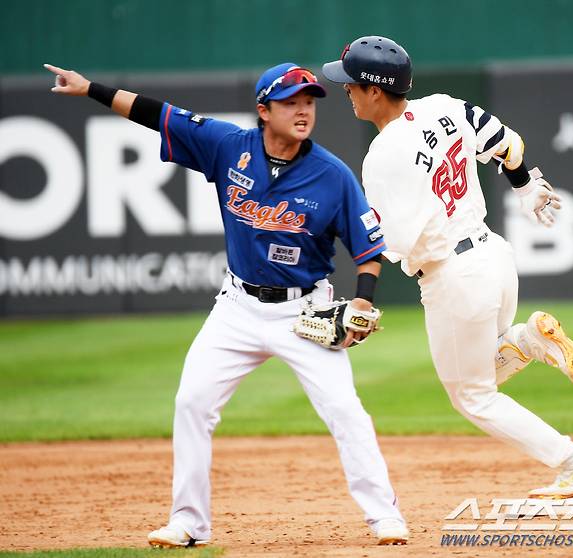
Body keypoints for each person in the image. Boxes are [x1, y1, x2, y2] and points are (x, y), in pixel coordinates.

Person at [44, 62, 409, 546]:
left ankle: (384, 516)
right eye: (291, 102)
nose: (303, 111)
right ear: (264, 110)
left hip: (303, 312)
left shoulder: (331, 175)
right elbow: (158, 115)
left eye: (309, 101)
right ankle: (189, 523)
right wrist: (90, 89)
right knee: (192, 402)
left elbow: (368, 250)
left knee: (344, 409)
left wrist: (362, 302)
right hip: (237, 307)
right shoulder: (227, 146)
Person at [321, 37, 573, 499]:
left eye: (351, 84)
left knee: (473, 397)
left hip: (454, 278)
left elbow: (387, 241)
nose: (346, 92)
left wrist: (362, 297)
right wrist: (523, 183)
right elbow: (507, 142)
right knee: (483, 372)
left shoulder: (382, 156)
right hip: (494, 256)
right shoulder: (444, 106)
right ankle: (524, 340)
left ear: (374, 90)